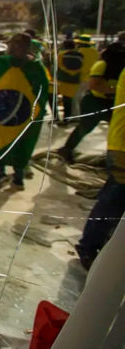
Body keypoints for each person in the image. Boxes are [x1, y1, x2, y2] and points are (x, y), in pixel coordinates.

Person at [0, 32, 49, 192]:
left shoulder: (0, 63)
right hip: (23, 117)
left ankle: (0, 175)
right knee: (20, 144)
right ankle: (18, 179)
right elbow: (42, 91)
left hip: (0, 115)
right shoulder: (36, 68)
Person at [75, 66, 125, 270]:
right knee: (113, 200)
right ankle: (89, 247)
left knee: (113, 199)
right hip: (122, 146)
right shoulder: (102, 65)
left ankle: (95, 246)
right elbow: (96, 84)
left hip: (119, 144)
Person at [57, 42, 125, 163]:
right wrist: (116, 90)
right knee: (84, 127)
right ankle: (66, 150)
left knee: (118, 131)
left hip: (112, 103)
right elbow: (93, 85)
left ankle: (115, 158)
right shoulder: (102, 65)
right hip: (94, 102)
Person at [55, 39, 83, 125]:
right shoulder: (80, 55)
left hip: (63, 80)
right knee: (69, 100)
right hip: (75, 81)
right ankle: (67, 118)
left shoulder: (61, 55)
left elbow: (58, 66)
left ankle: (58, 118)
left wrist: (65, 70)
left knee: (62, 99)